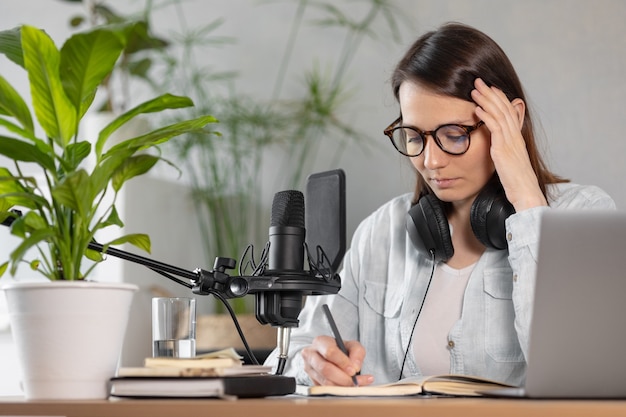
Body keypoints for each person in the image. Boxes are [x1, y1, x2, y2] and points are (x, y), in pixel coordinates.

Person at [263, 22, 616, 387]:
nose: (431, 161)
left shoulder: (584, 216)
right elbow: (291, 357)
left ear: (511, 120)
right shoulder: (381, 231)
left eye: (453, 135)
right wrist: (313, 364)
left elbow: (581, 375)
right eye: (414, 136)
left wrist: (526, 199)